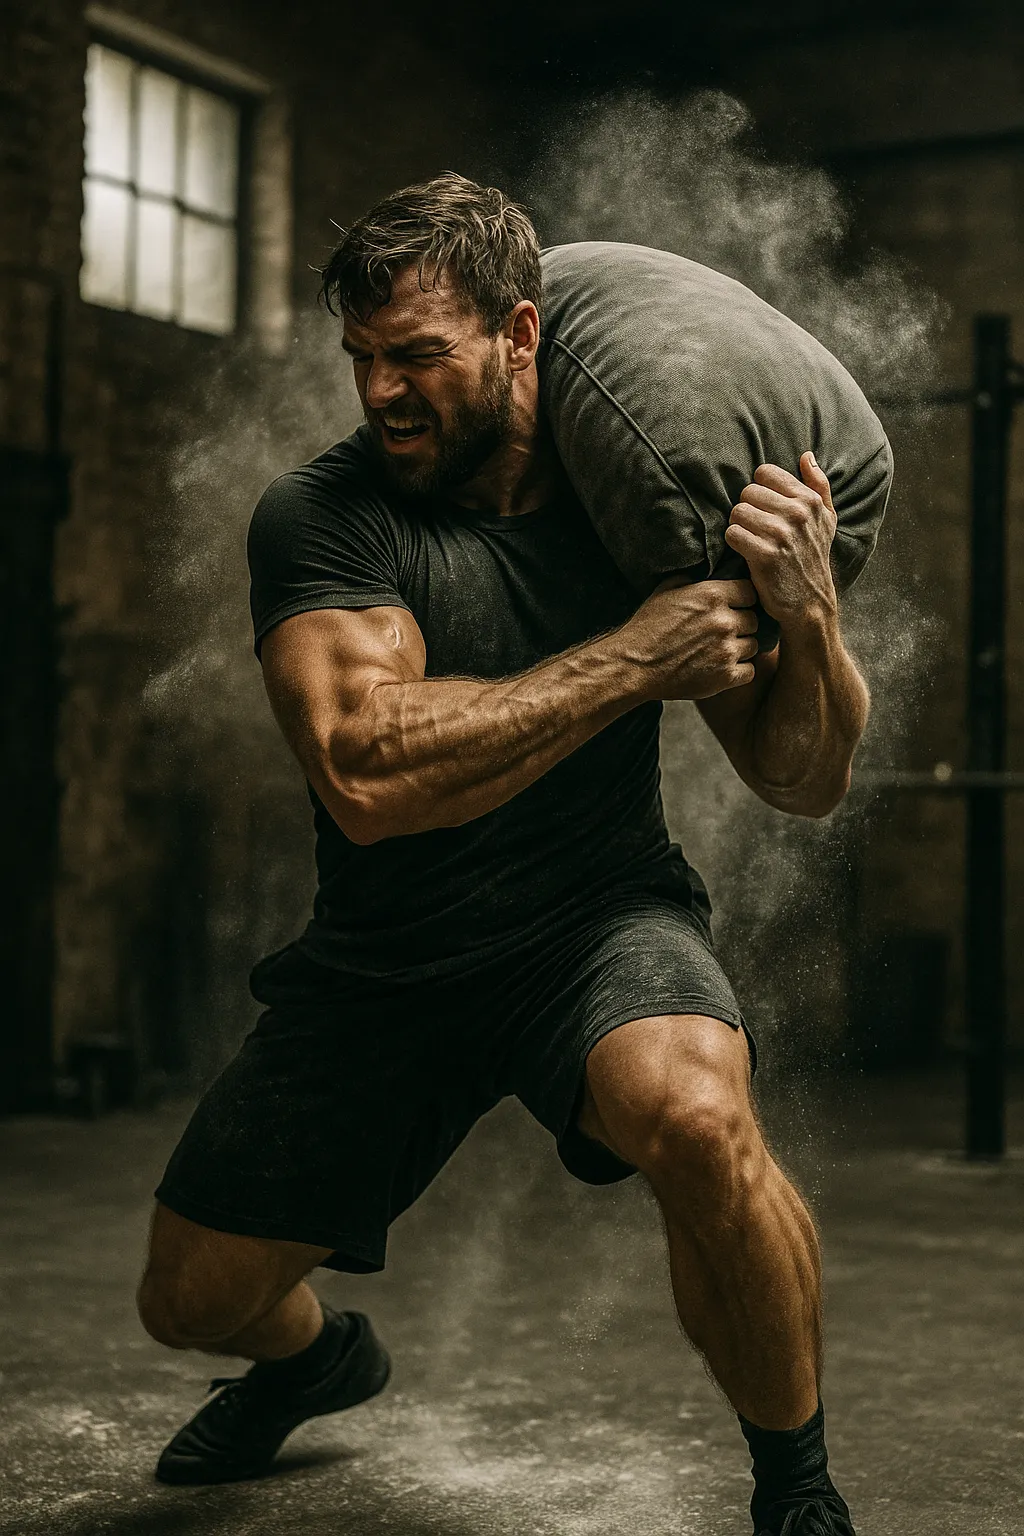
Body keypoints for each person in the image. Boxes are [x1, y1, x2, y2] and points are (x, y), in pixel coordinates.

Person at [138, 173, 869, 1535]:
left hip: (596, 921)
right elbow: (365, 769)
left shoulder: (633, 499)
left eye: (421, 357)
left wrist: (809, 623)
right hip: (384, 961)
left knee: (703, 1119)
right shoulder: (325, 517)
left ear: (521, 335)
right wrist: (631, 659)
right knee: (190, 1300)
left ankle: (800, 1489)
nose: (384, 394)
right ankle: (317, 1362)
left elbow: (798, 777)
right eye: (363, 361)